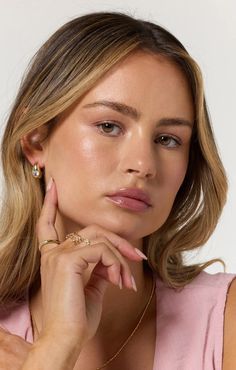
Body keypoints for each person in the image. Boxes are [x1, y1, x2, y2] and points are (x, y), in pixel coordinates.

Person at [0, 10, 235, 370]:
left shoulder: (225, 320)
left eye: (168, 139)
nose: (143, 165)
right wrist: (58, 344)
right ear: (35, 140)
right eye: (109, 126)